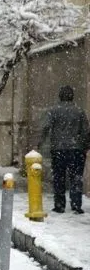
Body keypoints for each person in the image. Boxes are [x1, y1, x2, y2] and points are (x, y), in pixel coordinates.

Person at [39, 85, 90, 214]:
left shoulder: (53, 111)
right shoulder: (79, 111)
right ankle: (76, 204)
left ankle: (59, 205)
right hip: (76, 150)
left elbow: (45, 127)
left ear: (60, 96)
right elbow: (86, 131)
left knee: (58, 177)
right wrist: (86, 146)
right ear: (72, 96)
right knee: (76, 177)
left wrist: (41, 142)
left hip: (58, 149)